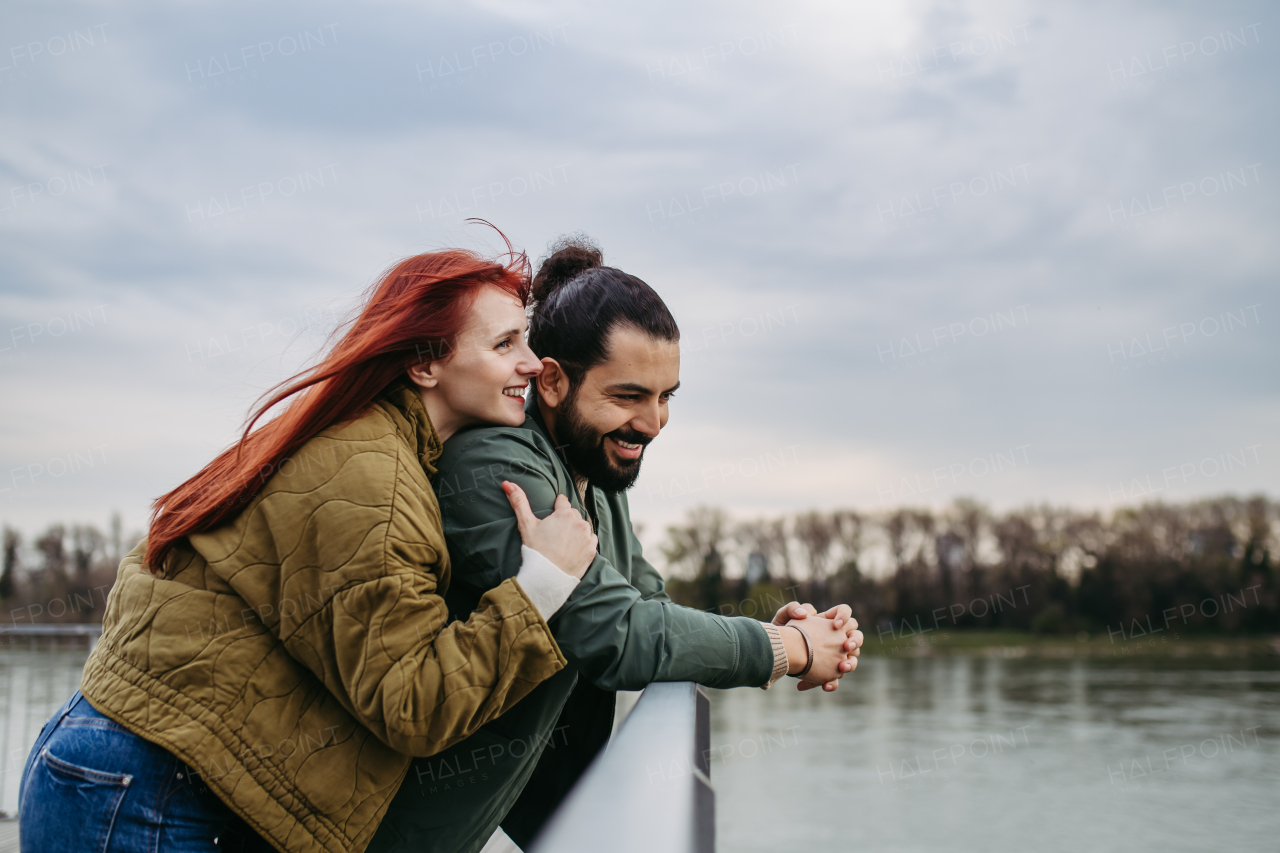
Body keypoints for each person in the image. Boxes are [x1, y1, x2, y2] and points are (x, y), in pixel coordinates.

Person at [17, 238, 600, 853]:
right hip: (142, 790)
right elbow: (412, 703)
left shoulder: (365, 443)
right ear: (425, 365)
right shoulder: (370, 478)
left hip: (131, 770)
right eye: (505, 344)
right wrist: (541, 586)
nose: (533, 364)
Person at [369, 236, 864, 853]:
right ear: (550, 382)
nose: (653, 424)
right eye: (629, 396)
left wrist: (775, 630)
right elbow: (614, 632)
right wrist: (784, 650)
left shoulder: (595, 472)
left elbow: (646, 599)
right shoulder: (496, 464)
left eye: (666, 398)